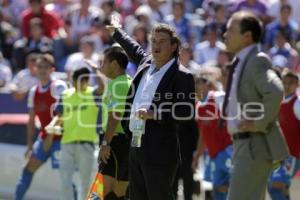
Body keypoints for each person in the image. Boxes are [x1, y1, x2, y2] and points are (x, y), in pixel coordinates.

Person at [106, 16, 195, 200]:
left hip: (160, 150)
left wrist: (156, 114)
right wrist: (116, 31)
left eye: (162, 41)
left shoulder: (182, 75)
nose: (157, 45)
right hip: (135, 144)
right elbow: (133, 47)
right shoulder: (146, 62)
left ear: (173, 46)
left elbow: (186, 111)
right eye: (153, 41)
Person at [223, 11, 289, 200]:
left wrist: (258, 122)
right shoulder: (243, 61)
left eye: (231, 30)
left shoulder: (256, 60)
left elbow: (275, 91)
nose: (225, 34)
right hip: (245, 145)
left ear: (247, 36)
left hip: (252, 144)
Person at [14, 53, 68, 200]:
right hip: (44, 138)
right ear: (35, 69)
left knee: (65, 179)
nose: (42, 70)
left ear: (52, 69)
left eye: (45, 67)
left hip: (61, 140)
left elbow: (62, 115)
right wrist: (30, 145)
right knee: (27, 170)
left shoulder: (59, 86)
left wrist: (50, 138)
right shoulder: (33, 91)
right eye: (39, 67)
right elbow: (31, 121)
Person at [51, 67, 104, 200]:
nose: (76, 84)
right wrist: (52, 125)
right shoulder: (66, 94)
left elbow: (103, 87)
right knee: (65, 183)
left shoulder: (93, 93)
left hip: (87, 145)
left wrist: (96, 70)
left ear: (87, 80)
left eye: (80, 81)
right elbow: (59, 115)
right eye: (74, 81)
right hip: (67, 143)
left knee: (85, 184)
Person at [98, 46, 132, 200]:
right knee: (117, 192)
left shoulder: (118, 84)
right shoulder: (127, 81)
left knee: (113, 193)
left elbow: (115, 115)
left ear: (114, 64)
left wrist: (106, 142)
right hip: (121, 141)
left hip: (117, 141)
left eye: (103, 62)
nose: (101, 66)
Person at [192, 75, 232, 200]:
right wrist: (197, 157)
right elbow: (203, 135)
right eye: (195, 84)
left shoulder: (217, 97)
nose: (196, 87)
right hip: (214, 153)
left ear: (206, 84)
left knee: (237, 183)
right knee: (218, 188)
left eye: (199, 83)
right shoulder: (197, 107)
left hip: (228, 149)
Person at [268, 70, 300, 200]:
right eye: (284, 82)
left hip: (291, 155)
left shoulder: (297, 104)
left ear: (297, 85)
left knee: (276, 187)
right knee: (279, 188)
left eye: (291, 83)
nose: (287, 86)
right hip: (277, 154)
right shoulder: (278, 101)